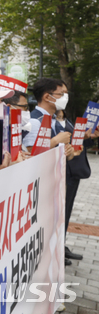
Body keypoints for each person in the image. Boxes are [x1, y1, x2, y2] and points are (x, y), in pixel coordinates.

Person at [51, 82, 96, 265]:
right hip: (61, 173)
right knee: (57, 213)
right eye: (61, 93)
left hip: (73, 172)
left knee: (66, 212)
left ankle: (62, 246)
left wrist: (87, 138)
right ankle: (56, 249)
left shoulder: (67, 120)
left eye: (66, 93)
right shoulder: (47, 121)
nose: (65, 97)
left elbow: (76, 145)